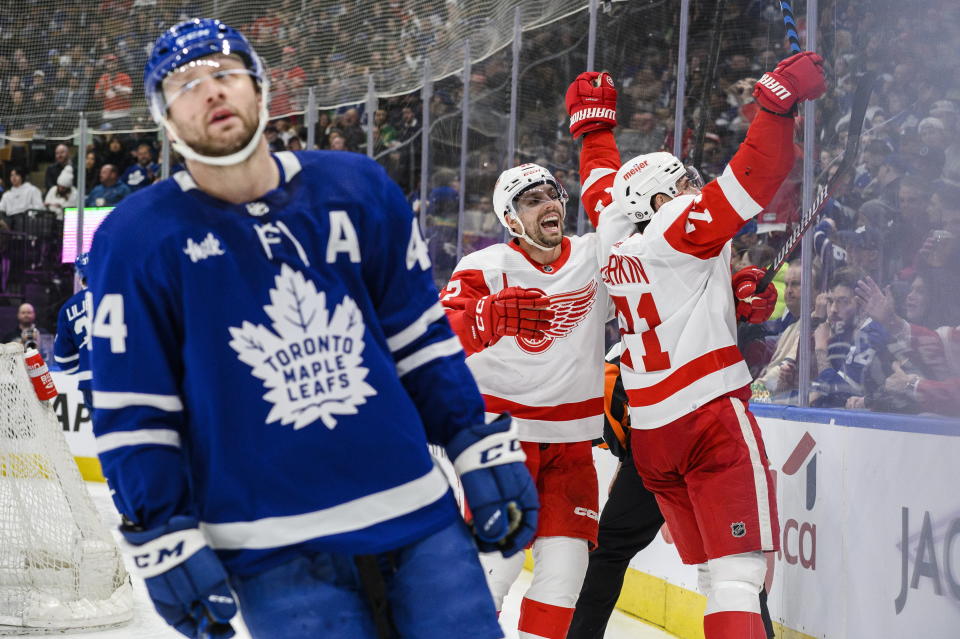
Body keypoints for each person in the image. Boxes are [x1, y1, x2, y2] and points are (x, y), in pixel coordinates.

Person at [86, 19, 537, 639]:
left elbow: (420, 341)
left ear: (262, 87)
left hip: (414, 511)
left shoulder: (355, 188)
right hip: (269, 546)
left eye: (225, 72)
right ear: (164, 117)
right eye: (185, 85)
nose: (211, 90)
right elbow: (135, 408)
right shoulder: (137, 239)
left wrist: (471, 438)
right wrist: (162, 528)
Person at [566, 50, 826, 638]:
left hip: (654, 437)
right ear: (660, 199)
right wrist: (774, 105)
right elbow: (752, 179)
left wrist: (595, 129)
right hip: (706, 419)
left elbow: (600, 183)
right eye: (683, 183)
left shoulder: (614, 238)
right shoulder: (676, 227)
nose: (694, 188)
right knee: (737, 578)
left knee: (714, 576)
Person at [440, 163, 611, 639]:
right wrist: (484, 317)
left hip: (573, 442)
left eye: (551, 194)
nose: (549, 204)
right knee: (499, 565)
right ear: (511, 220)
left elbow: (651, 286)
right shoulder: (486, 266)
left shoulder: (595, 255)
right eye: (532, 200)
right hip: (503, 436)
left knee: (565, 574)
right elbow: (437, 338)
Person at [54, 253, 92, 411]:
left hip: (89, 382)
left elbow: (64, 361)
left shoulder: (68, 307)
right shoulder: (125, 296)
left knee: (104, 435)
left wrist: (85, 363)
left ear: (79, 278)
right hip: (125, 379)